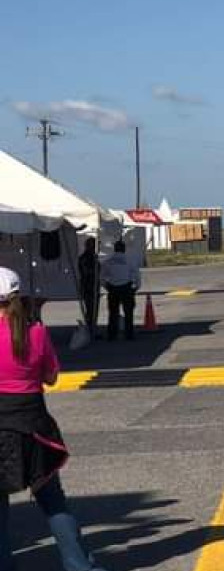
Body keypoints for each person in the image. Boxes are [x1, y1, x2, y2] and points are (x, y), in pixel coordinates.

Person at [0, 267, 107, 571]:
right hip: (35, 429)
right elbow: (51, 377)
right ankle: (78, 565)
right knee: (53, 501)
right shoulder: (35, 332)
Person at [101, 241, 140, 341]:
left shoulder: (108, 261)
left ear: (114, 249)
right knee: (128, 312)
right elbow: (136, 274)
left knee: (113, 312)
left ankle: (112, 334)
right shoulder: (130, 260)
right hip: (126, 288)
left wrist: (106, 286)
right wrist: (136, 287)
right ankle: (129, 334)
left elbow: (102, 277)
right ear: (124, 249)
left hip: (113, 288)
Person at [77, 239, 100, 338]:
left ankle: (92, 327)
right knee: (90, 309)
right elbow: (85, 271)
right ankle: (89, 328)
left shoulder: (93, 257)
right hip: (88, 286)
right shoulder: (85, 258)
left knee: (93, 309)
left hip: (93, 285)